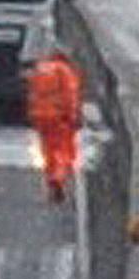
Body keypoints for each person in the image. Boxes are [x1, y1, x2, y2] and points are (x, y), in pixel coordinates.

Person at [25, 48, 85, 202]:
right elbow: (70, 95)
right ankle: (58, 178)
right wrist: (74, 116)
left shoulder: (40, 69)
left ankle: (51, 177)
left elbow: (32, 94)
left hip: (41, 117)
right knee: (64, 151)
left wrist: (33, 115)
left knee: (48, 150)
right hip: (60, 117)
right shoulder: (65, 71)